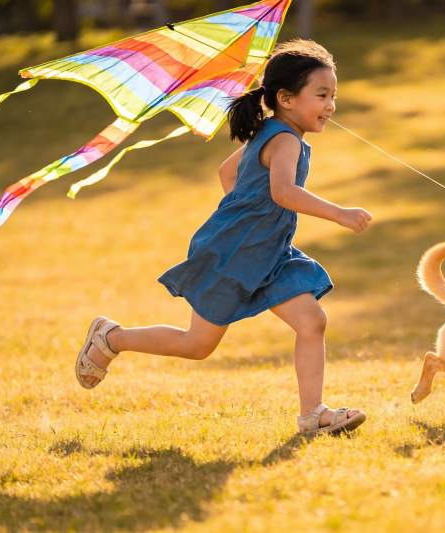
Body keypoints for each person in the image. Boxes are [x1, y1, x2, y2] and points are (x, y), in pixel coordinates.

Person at [75, 39, 371, 436]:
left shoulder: (273, 133)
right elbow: (283, 192)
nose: (331, 105)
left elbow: (228, 174)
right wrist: (339, 213)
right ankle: (112, 337)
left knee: (312, 321)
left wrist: (250, 212)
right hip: (234, 255)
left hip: (270, 253)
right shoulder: (283, 139)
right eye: (321, 95)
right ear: (285, 98)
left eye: (333, 95)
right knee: (197, 345)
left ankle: (312, 414)